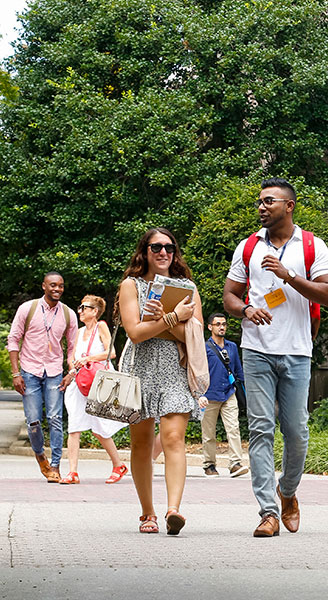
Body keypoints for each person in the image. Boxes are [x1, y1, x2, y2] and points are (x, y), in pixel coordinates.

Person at [223, 177, 328, 537]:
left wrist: (289, 275)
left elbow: (326, 293)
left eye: (269, 201)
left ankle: (288, 491)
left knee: (297, 430)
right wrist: (246, 309)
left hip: (297, 350)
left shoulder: (312, 245)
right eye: (259, 202)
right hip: (256, 350)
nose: (262, 207)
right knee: (261, 428)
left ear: (289, 206)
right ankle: (268, 511)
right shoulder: (248, 246)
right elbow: (230, 297)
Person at [118, 227, 207, 535]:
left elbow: (195, 336)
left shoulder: (188, 288)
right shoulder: (131, 285)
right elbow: (135, 333)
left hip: (174, 370)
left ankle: (173, 510)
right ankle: (147, 513)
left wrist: (163, 319)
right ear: (144, 251)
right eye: (156, 247)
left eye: (169, 247)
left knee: (172, 439)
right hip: (139, 368)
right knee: (141, 443)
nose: (163, 252)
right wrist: (172, 318)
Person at [7, 272, 78, 482]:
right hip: (29, 371)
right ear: (44, 286)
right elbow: (13, 340)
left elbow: (73, 348)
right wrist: (15, 373)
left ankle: (55, 465)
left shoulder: (68, 314)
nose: (58, 289)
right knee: (33, 421)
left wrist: (71, 372)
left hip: (55, 372)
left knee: (55, 418)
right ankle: (40, 457)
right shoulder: (27, 309)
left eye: (61, 286)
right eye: (53, 285)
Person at [60, 295, 128, 485]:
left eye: (84, 307)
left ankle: (118, 465)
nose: (80, 310)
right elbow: (73, 359)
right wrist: (71, 373)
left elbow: (111, 352)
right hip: (79, 382)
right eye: (80, 307)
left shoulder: (102, 327)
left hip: (98, 383)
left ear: (95, 311)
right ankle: (72, 472)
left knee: (99, 428)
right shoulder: (79, 332)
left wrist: (89, 359)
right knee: (74, 426)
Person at [201, 313, 249, 478]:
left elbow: (238, 370)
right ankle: (209, 465)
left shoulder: (232, 347)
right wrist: (199, 394)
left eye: (224, 324)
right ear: (210, 327)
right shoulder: (204, 347)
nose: (221, 327)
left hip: (229, 393)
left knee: (233, 428)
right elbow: (198, 371)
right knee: (209, 433)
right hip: (209, 395)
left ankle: (235, 463)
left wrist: (241, 388)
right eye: (218, 324)